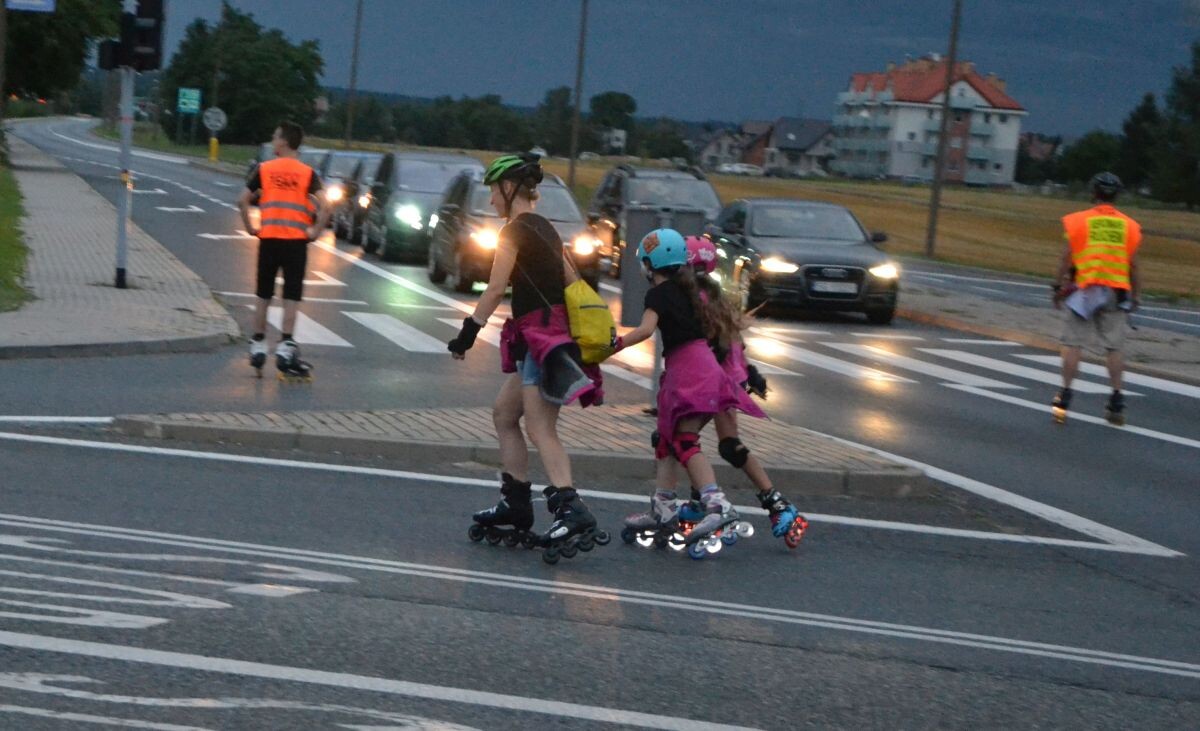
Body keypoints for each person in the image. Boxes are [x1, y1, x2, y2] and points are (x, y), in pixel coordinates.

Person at [447, 153, 608, 564]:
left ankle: (572, 509)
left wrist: (466, 336)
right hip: (547, 335)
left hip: (542, 337)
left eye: (492, 191)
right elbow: (572, 281)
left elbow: (495, 287)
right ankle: (516, 502)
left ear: (509, 189)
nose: (490, 200)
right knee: (504, 413)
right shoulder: (546, 229)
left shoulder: (514, 231)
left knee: (540, 427)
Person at [614, 229, 757, 558]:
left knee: (684, 442)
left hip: (690, 373)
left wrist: (615, 344)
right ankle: (663, 506)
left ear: (650, 264)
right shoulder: (686, 289)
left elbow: (646, 330)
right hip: (699, 370)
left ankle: (716, 503)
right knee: (668, 438)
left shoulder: (659, 295)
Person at [684, 235, 808, 548]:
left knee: (680, 439)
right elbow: (735, 337)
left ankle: (708, 503)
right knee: (727, 445)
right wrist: (751, 372)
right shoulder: (715, 294)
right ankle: (775, 504)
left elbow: (713, 342)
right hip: (727, 378)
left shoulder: (695, 297)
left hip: (715, 381)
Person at [237, 121, 329, 381]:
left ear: (284, 142)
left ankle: (257, 343)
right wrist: (316, 231)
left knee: (263, 293)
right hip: (296, 243)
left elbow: (242, 200)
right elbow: (327, 206)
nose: (272, 139)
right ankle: (286, 346)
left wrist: (250, 228)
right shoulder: (307, 173)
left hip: (269, 240)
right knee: (291, 295)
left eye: (275, 136)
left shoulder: (263, 170)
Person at [1051, 172, 1142, 425]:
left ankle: (1065, 395)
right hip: (1116, 290)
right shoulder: (1129, 226)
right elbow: (1133, 265)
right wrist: (1137, 294)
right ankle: (1116, 398)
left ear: (1094, 193)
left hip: (1085, 290)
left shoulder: (1080, 221)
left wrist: (1058, 286)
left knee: (1073, 343)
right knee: (1114, 346)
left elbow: (1066, 257)